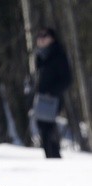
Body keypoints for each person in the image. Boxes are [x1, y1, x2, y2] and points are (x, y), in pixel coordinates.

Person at [33, 27, 72, 158]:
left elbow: (67, 79)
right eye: (40, 36)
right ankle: (49, 156)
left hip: (53, 97)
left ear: (52, 38)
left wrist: (53, 92)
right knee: (42, 126)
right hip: (40, 97)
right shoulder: (39, 55)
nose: (42, 39)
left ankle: (54, 156)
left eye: (45, 36)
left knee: (48, 126)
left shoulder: (58, 54)